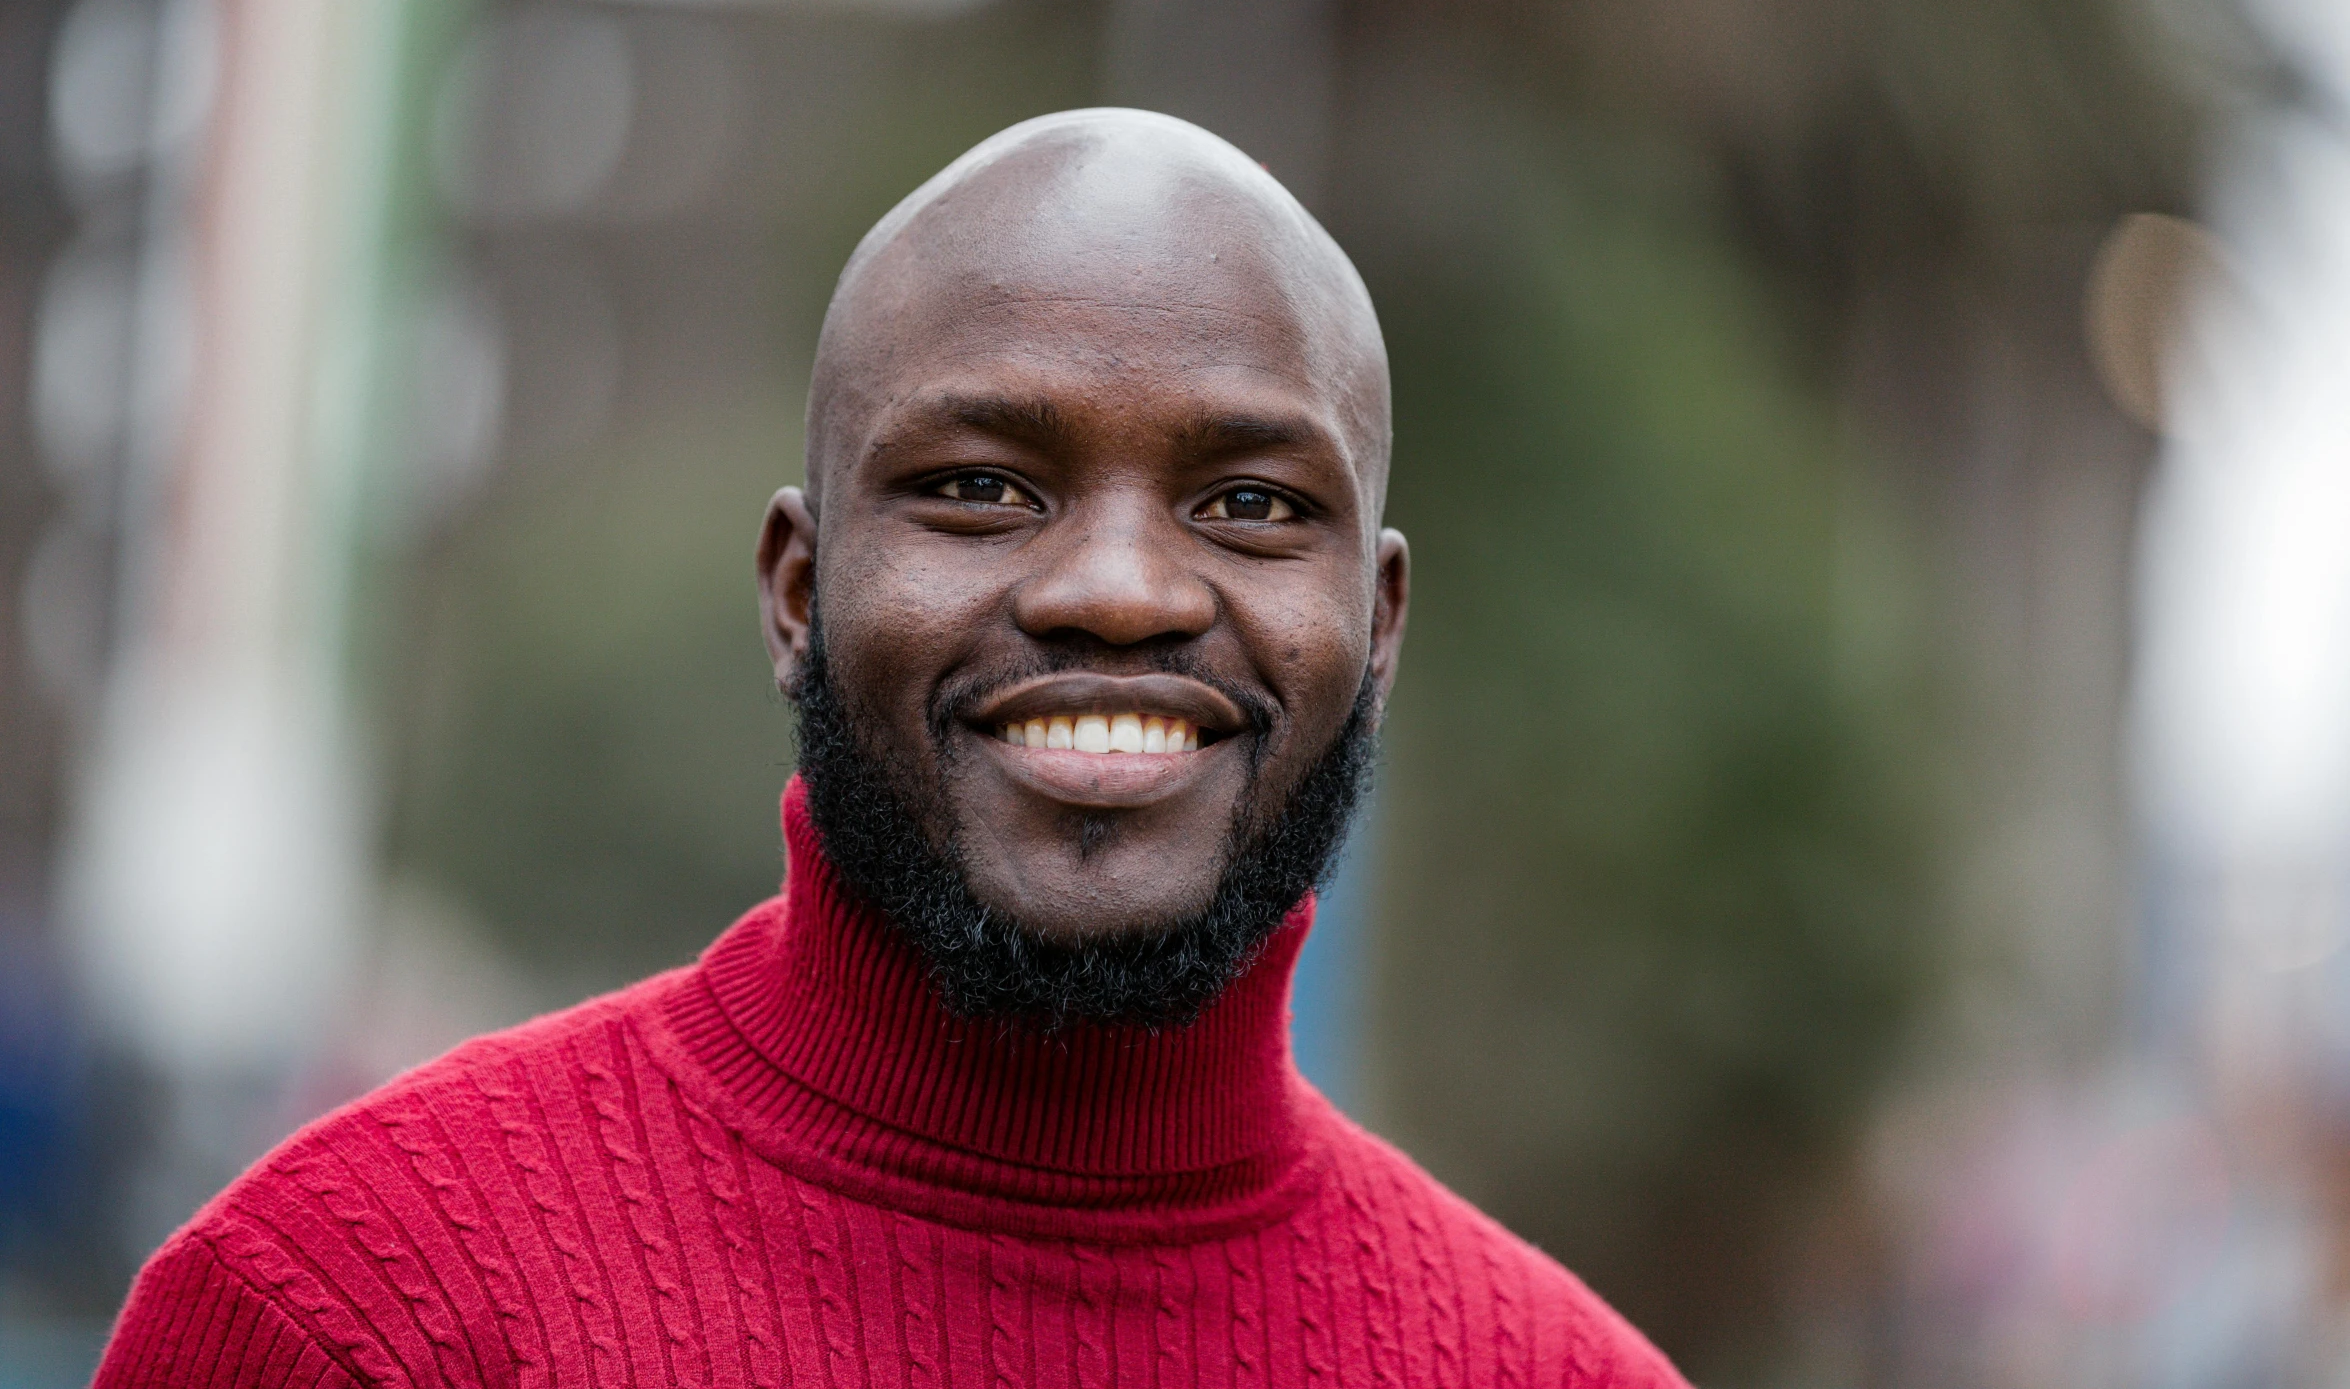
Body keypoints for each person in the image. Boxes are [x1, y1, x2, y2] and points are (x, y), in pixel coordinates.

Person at [94, 110, 1687, 1387]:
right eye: (982, 487)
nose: (1119, 592)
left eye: (1251, 505)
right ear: (800, 591)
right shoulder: (345, 1310)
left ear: (1379, 626)